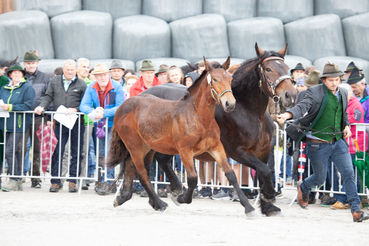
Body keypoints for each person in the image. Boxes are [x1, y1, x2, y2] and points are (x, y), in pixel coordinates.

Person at [277, 62, 369, 222]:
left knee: (348, 174)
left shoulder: (342, 93)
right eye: (331, 80)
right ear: (324, 80)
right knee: (319, 178)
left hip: (338, 142)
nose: (334, 83)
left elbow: (342, 114)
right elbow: (302, 107)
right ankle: (304, 187)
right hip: (317, 143)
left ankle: (356, 210)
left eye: (337, 80)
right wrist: (287, 115)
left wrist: (346, 125)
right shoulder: (314, 92)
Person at [34, 59, 86, 193]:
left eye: (72, 69)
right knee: (57, 150)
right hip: (60, 121)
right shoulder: (55, 81)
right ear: (63, 70)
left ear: (76, 70)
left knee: (76, 152)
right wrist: (41, 106)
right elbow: (48, 96)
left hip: (77, 122)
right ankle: (56, 181)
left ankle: (73, 181)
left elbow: (86, 102)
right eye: (67, 69)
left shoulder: (81, 83)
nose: (70, 72)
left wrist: (76, 109)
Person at [79, 63, 125, 195]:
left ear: (108, 75)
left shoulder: (117, 87)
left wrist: (104, 113)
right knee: (100, 152)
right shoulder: (91, 87)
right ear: (95, 77)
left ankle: (109, 180)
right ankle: (103, 179)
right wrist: (94, 111)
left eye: (104, 74)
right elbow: (83, 105)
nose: (102, 77)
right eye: (99, 75)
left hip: (113, 125)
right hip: (99, 125)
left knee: (109, 152)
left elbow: (120, 107)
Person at [330, 83, 367, 209]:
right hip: (347, 143)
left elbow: (355, 119)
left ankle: (342, 199)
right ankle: (358, 198)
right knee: (351, 173)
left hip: (355, 144)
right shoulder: (342, 104)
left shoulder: (355, 104)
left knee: (349, 172)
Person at [1, 63, 35, 192]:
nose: (16, 75)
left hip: (19, 124)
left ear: (22, 75)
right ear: (10, 75)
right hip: (5, 123)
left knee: (10, 150)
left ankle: (14, 178)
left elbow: (28, 106)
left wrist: (10, 107)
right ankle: (17, 180)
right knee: (12, 151)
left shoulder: (27, 88)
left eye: (18, 73)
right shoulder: (4, 88)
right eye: (13, 73)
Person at [23, 50, 51, 188]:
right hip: (21, 117)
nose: (31, 65)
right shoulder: (18, 75)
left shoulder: (45, 78)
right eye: (28, 63)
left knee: (37, 149)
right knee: (20, 147)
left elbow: (48, 96)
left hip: (39, 117)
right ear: (24, 64)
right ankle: (18, 175)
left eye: (33, 62)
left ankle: (35, 178)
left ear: (38, 63)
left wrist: (44, 110)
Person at [76, 58, 94, 190]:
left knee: (85, 151)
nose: (86, 69)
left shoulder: (92, 84)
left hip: (87, 122)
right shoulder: (73, 82)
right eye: (83, 67)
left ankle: (82, 177)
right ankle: (68, 177)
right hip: (71, 121)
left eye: (87, 67)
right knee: (69, 151)